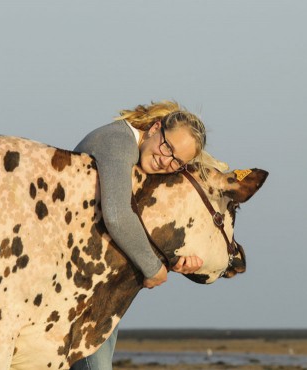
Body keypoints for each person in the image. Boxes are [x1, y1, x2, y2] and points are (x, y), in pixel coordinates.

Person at [71, 101, 224, 370]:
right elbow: (118, 216)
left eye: (177, 162)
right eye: (168, 148)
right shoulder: (117, 142)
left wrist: (174, 261)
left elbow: (142, 229)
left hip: (95, 289)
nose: (166, 161)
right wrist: (153, 269)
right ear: (155, 128)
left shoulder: (139, 160)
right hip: (81, 291)